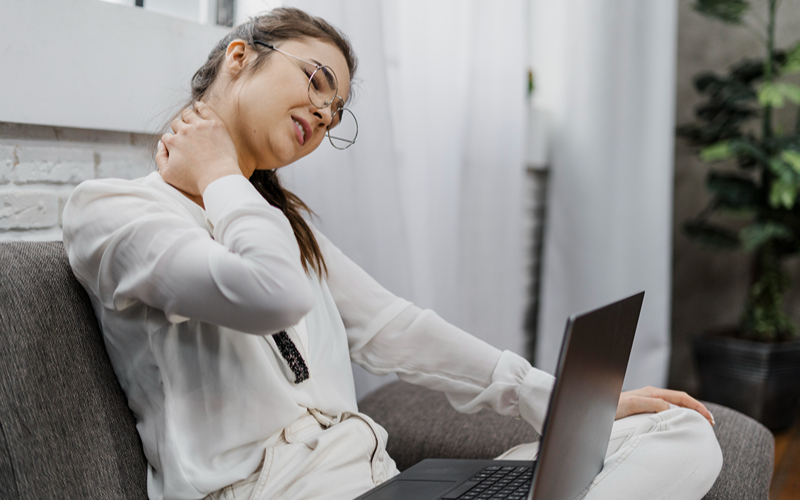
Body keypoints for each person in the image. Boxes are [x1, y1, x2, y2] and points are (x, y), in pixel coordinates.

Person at [62, 7, 722, 500]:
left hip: (381, 484)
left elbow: (395, 328)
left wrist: (551, 398)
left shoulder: (282, 227)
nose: (324, 115)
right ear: (240, 56)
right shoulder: (113, 212)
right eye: (316, 81)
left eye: (335, 111)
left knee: (679, 433)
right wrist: (217, 171)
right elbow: (270, 294)